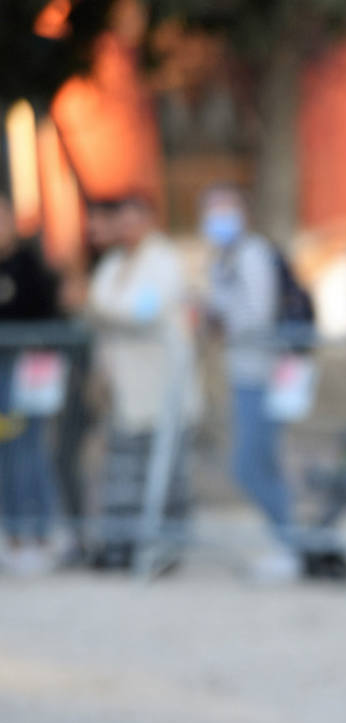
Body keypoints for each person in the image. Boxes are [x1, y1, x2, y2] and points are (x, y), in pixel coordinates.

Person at [86, 193, 200, 569]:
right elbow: (102, 307)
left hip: (161, 384)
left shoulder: (164, 261)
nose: (126, 228)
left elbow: (143, 310)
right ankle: (122, 545)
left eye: (134, 220)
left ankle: (163, 548)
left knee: (164, 471)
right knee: (123, 471)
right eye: (122, 221)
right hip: (124, 385)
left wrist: (103, 309)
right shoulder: (114, 263)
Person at [200, 184, 303, 583]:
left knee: (250, 464)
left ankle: (290, 542)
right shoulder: (222, 260)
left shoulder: (253, 254)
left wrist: (221, 316)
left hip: (265, 372)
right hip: (243, 372)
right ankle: (287, 542)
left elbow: (257, 316)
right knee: (260, 462)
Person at [0, 192, 63, 574]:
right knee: (5, 455)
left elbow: (46, 313)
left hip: (25, 376)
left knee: (28, 453)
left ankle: (37, 532)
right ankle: (10, 533)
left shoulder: (29, 265)